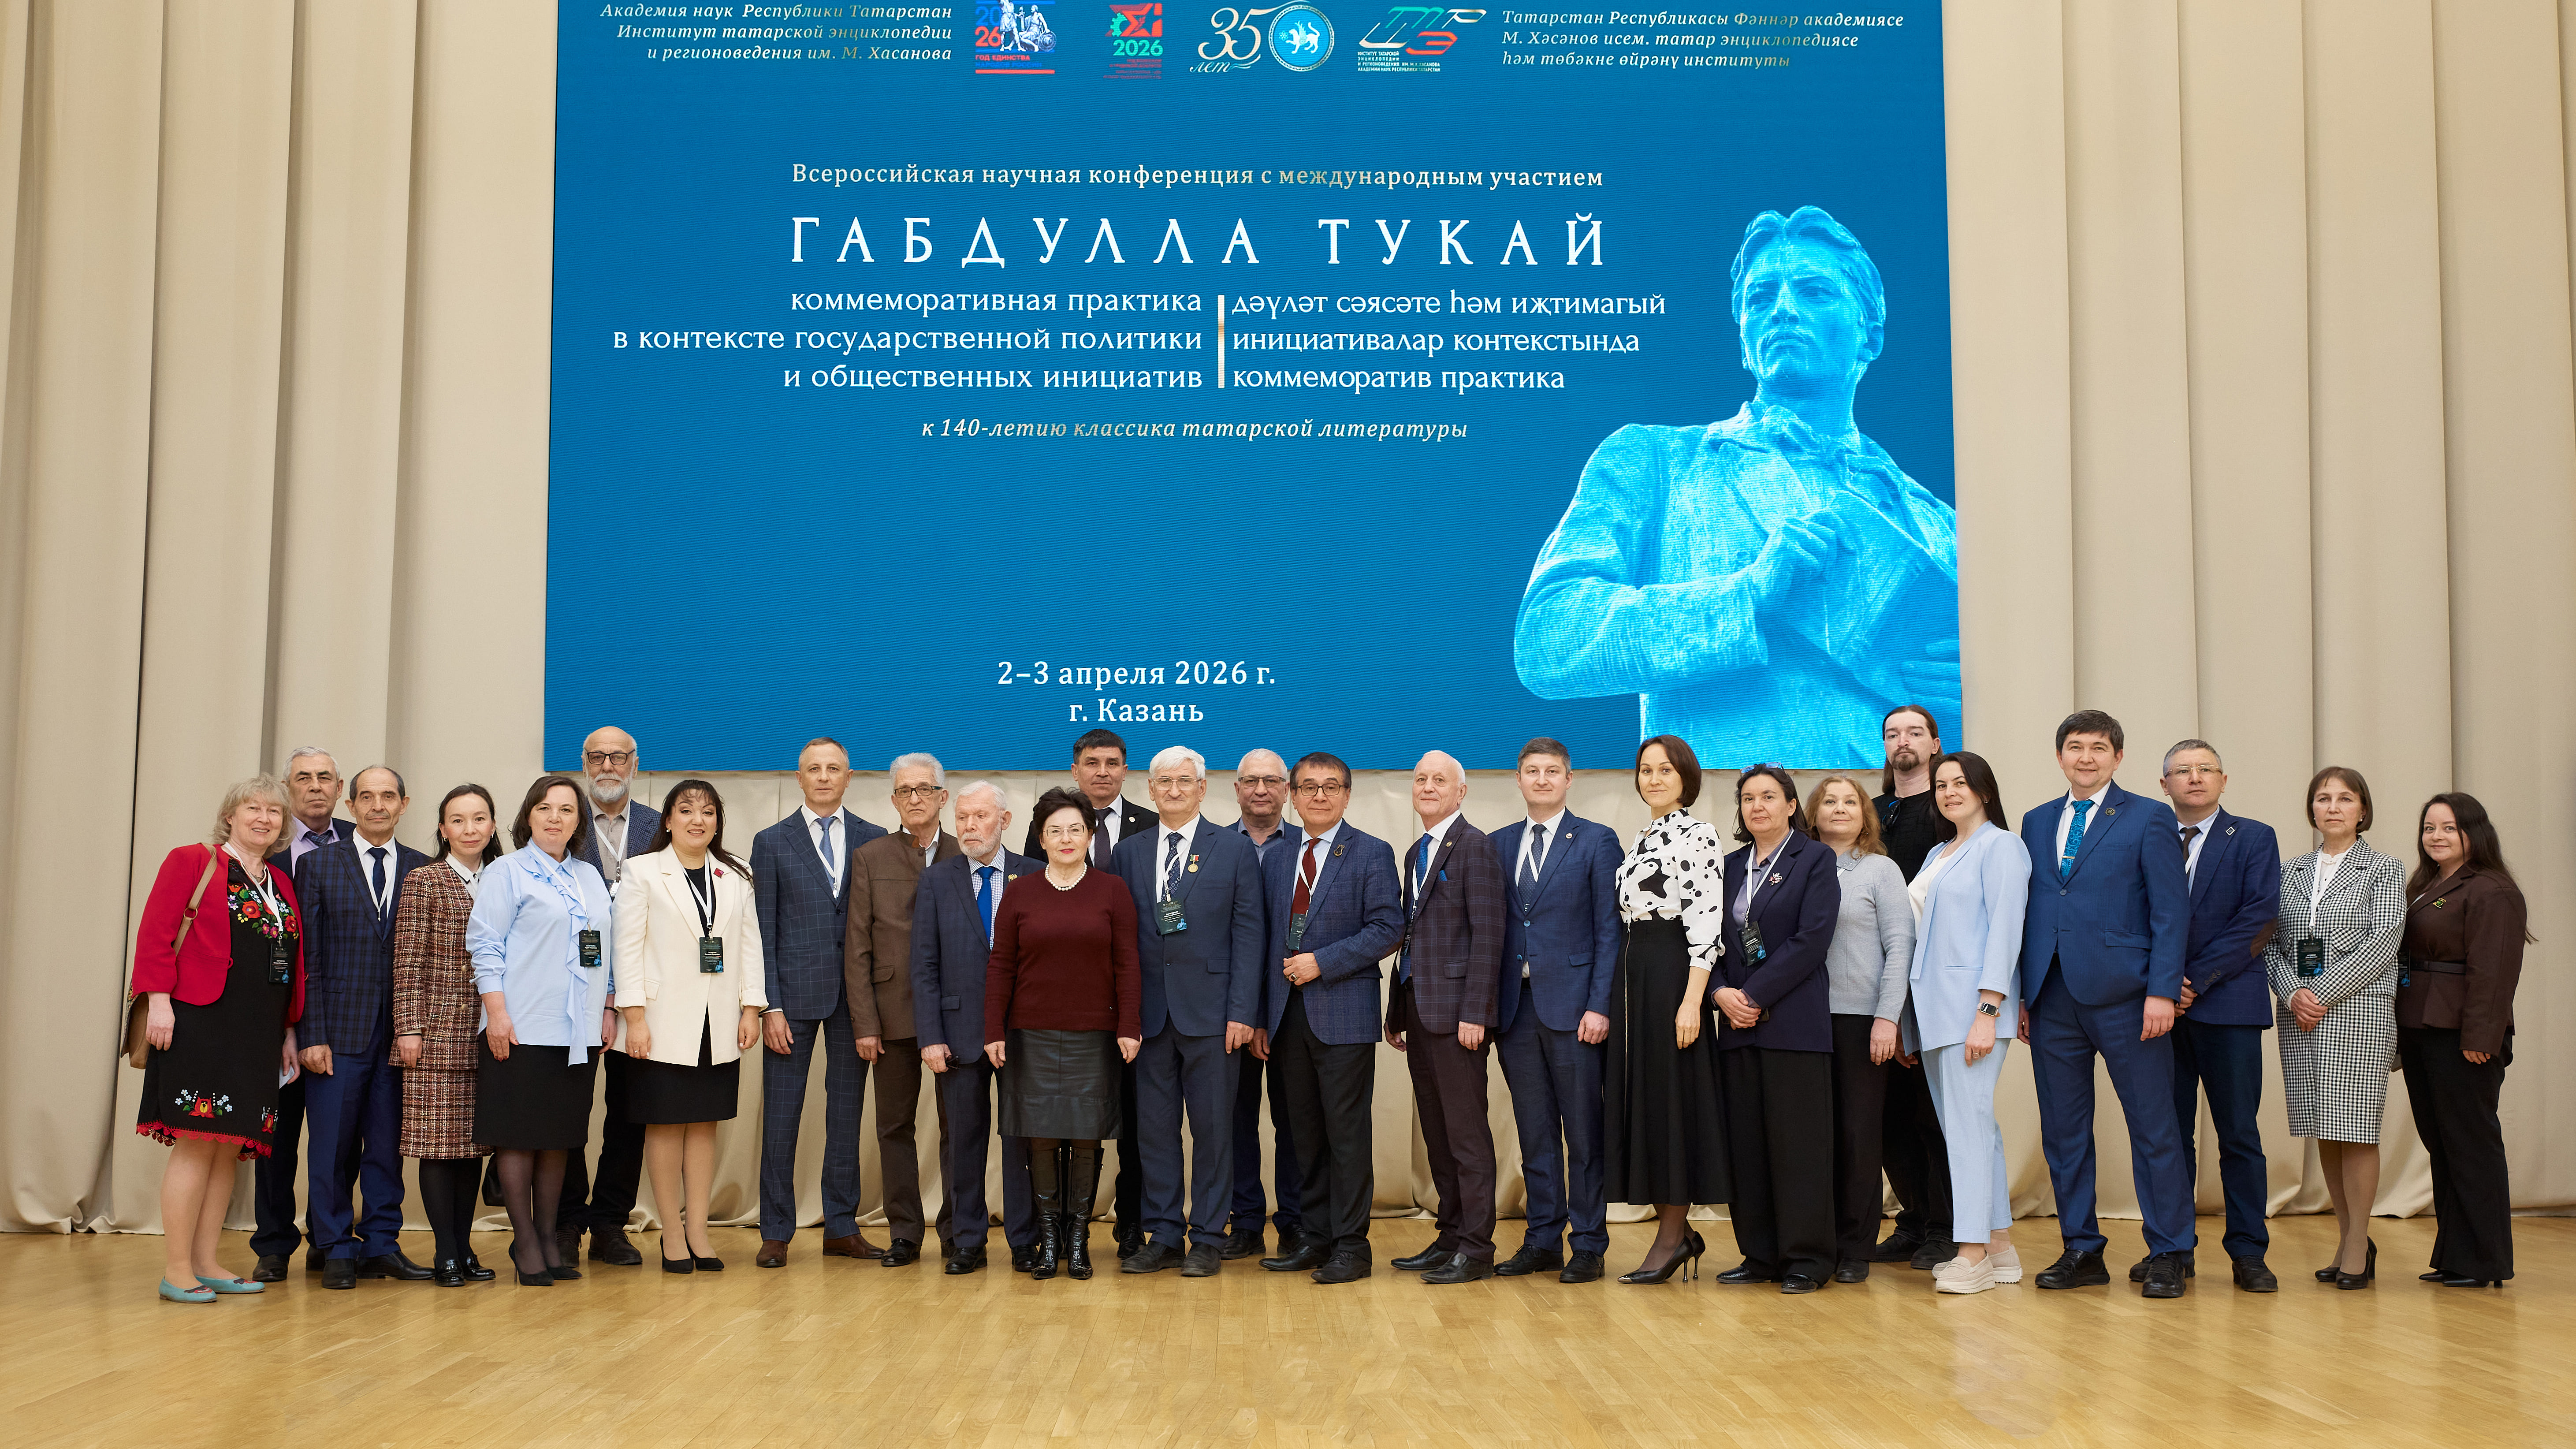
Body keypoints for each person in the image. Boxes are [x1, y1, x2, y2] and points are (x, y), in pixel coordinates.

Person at [1514, 206, 1962, 769]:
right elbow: (1549, 636)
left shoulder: (1938, 524)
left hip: (1888, 817)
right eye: (1760, 297)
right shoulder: (1657, 461)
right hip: (1728, 813)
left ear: (1869, 335)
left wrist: (1975, 696)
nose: (1783, 309)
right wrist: (1745, 595)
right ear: (1744, 338)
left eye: (1815, 291)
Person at [2015, 709, 2194, 1298]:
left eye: (2098, 747)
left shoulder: (2148, 816)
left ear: (2118, 757)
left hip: (2129, 997)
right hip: (2052, 996)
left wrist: (2162, 990)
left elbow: (2171, 910)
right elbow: (2029, 910)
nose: (2086, 757)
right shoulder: (2037, 820)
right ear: (2060, 756)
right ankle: (2082, 1248)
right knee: (2064, 1131)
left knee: (2155, 1128)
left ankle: (2169, 1250)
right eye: (2075, 746)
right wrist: (2023, 993)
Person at [131, 776, 306, 1303]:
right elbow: (156, 932)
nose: (264, 818)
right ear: (230, 815)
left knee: (228, 1148)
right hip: (198, 1022)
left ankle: (207, 1262)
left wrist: (289, 1028)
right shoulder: (192, 861)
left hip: (258, 1032)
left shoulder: (280, 881)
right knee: (196, 1142)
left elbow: (288, 965)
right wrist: (159, 1000)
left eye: (274, 811)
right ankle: (177, 1269)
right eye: (253, 807)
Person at [1109, 747, 1265, 1278]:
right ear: (1150, 790)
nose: (1174, 789)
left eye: (1184, 780)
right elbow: (1120, 940)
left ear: (1203, 788)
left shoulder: (1234, 848)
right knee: (1154, 1132)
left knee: (1214, 1131)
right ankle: (1165, 1234)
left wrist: (1242, 1010)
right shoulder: (1128, 853)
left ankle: (1208, 1237)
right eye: (1164, 781)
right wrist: (1125, 1015)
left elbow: (1250, 934)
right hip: (1149, 1018)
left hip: (1215, 1016)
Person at [1256, 752, 1403, 1285]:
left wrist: (1324, 961)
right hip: (1285, 1016)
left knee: (1346, 1136)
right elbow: (1263, 940)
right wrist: (1259, 1016)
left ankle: (1351, 1246)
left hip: (1342, 1013)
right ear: (1292, 796)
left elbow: (1388, 927)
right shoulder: (1276, 858)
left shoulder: (1371, 851)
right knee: (1302, 1134)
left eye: (1331, 786)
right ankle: (1314, 1237)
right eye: (1309, 787)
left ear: (1347, 795)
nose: (1320, 795)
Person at [985, 788, 1143, 1281]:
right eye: (1055, 830)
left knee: (1086, 1135)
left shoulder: (1113, 890)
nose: (1066, 838)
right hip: (1030, 1033)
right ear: (1041, 838)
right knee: (1041, 1135)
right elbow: (1001, 965)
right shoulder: (1020, 892)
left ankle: (1079, 1239)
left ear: (1090, 835)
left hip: (1095, 1034)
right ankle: (1049, 1238)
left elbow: (1128, 962)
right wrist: (993, 1028)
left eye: (1076, 828)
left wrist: (1130, 1024)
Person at [468, 774, 619, 1286]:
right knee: (519, 1138)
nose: (556, 817)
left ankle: (551, 1236)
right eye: (545, 808)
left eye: (567, 809)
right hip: (522, 1024)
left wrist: (608, 1006)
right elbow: (485, 945)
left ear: (579, 821)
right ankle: (526, 1240)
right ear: (528, 816)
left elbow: (606, 948)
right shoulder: (506, 871)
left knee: (559, 1139)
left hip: (579, 1028)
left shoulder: (590, 875)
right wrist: (496, 1011)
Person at [614, 779, 767, 1274]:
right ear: (668, 820)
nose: (697, 819)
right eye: (686, 810)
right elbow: (626, 949)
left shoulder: (736, 873)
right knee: (665, 1125)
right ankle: (672, 1233)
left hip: (718, 1022)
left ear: (718, 821)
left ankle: (699, 1229)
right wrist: (634, 1017)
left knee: (704, 1124)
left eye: (707, 811)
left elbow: (750, 946)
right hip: (659, 1021)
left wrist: (751, 1008)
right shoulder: (642, 871)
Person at [2264, 766, 2406, 1289]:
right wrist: (2293, 992)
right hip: (2300, 1014)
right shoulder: (2290, 869)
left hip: (2358, 1011)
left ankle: (2358, 1244)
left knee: (2355, 1126)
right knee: (2324, 1125)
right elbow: (2270, 943)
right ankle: (2350, 1237)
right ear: (2312, 809)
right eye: (2323, 798)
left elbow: (2384, 941)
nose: (2333, 806)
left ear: (2363, 809)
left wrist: (2321, 993)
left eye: (2345, 798)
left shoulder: (2384, 868)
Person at [292, 764, 432, 1288]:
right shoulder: (319, 865)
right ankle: (333, 1246)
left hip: (399, 1035)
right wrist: (312, 1034)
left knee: (386, 1146)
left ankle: (381, 1244)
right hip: (337, 1034)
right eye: (367, 796)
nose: (378, 805)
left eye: (388, 796)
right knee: (330, 1146)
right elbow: (308, 959)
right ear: (350, 805)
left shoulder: (422, 868)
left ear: (404, 804)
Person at [750, 737, 888, 1268]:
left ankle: (842, 1226)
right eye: (815, 768)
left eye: (834, 768)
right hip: (791, 1001)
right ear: (800, 777)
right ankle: (775, 1231)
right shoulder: (771, 841)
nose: (825, 776)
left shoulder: (874, 839)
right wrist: (770, 1006)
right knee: (782, 1119)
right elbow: (763, 930)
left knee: (847, 1116)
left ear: (849, 777)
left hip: (856, 1001)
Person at [1490, 738, 1622, 1285]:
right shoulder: (1497, 843)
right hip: (1515, 1010)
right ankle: (1542, 1239)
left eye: (1552, 771)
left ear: (1569, 779)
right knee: (1535, 1131)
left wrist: (1600, 1005)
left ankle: (1588, 1243)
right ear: (1518, 779)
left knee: (1584, 1134)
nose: (1541, 779)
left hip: (1576, 1011)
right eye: (1532, 770)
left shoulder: (1596, 839)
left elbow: (1610, 930)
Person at [1022, 728, 1157, 1258]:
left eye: (1113, 762)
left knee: (1130, 1123)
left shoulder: (1153, 826)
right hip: (1057, 1012)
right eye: (1092, 762)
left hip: (1128, 1007)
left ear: (1126, 769)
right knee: (1059, 1125)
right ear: (1075, 769)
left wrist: (1130, 1016)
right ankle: (1056, 1233)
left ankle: (1132, 1226)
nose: (1103, 771)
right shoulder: (1043, 835)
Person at [2153, 740, 2282, 1293]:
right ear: (2164, 784)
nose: (2195, 777)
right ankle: (2173, 1248)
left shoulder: (2253, 836)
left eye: (2205, 769)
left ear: (2223, 780)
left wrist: (2192, 981)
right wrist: (2163, 984)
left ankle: (2249, 1251)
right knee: (2168, 1135)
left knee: (2239, 1134)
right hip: (2159, 1009)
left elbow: (2260, 918)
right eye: (2182, 770)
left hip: (2228, 1006)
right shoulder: (2147, 836)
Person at [1709, 765, 1840, 1293]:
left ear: (1790, 805)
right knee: (1748, 1145)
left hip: (1794, 1023)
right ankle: (1760, 1253)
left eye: (1768, 796)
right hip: (1736, 1026)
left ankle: (1807, 1257)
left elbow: (1812, 939)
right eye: (1748, 798)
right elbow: (1708, 941)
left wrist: (1755, 995)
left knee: (1799, 1145)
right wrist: (1720, 992)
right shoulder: (1727, 866)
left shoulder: (1815, 858)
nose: (1757, 806)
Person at [1902, 752, 2029, 1295]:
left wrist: (1988, 1009)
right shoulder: (1939, 851)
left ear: (1985, 790)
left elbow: (2005, 929)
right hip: (1934, 1010)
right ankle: (1999, 1245)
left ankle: (1971, 1251)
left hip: (1972, 1010)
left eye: (1961, 782)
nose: (1950, 791)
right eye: (1941, 784)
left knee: (1967, 1130)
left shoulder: (2002, 846)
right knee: (1975, 1128)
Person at [1607, 735, 1730, 1284]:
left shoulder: (1698, 833)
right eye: (1645, 769)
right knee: (1650, 1102)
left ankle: (1673, 1235)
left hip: (1672, 976)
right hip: (1635, 978)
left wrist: (1691, 1002)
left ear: (1686, 778)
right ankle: (1676, 1230)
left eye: (1665, 769)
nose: (1654, 778)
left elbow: (1706, 924)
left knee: (1674, 1103)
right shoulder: (1643, 837)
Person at [2397, 792, 2531, 1289]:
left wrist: (2481, 1036)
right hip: (2421, 1027)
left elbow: (2494, 971)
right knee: (2442, 1143)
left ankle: (2485, 1261)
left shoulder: (2493, 889)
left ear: (2475, 832)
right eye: (2429, 827)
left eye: (2449, 828)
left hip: (2462, 1035)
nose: (2436, 836)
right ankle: (2456, 1255)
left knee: (2471, 1144)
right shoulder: (2426, 883)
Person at [1385, 752, 1508, 1285]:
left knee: (1466, 1135)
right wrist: (1398, 1009)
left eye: (1440, 779)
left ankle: (1477, 1247)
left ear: (1462, 791)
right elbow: (1413, 936)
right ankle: (1451, 1234)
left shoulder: (1475, 846)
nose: (1429, 786)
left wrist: (1476, 1012)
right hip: (1419, 1010)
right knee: (1437, 1133)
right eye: (1421, 779)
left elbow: (1489, 934)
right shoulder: (1416, 851)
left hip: (1459, 1016)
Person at [911, 782, 1042, 1274]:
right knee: (963, 1141)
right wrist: (930, 1035)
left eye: (981, 816)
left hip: (1023, 1032)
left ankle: (1025, 1239)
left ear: (1004, 821)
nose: (970, 826)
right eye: (963, 817)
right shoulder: (937, 880)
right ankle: (967, 1240)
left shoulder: (1036, 873)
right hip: (957, 1032)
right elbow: (923, 964)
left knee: (1022, 1139)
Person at [845, 752, 959, 1267]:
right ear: (894, 800)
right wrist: (865, 1023)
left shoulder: (966, 852)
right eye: (905, 790)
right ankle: (906, 1233)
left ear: (943, 796)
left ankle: (959, 1232)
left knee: (959, 1127)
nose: (915, 798)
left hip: (955, 1015)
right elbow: (858, 948)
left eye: (925, 788)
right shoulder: (871, 856)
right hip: (890, 1015)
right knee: (894, 1127)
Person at [392, 784, 505, 1286]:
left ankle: (465, 1246)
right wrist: (409, 1028)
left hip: (491, 1032)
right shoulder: (426, 879)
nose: (469, 829)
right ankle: (445, 1253)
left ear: (493, 825)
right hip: (436, 1033)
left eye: (479, 819)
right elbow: (408, 959)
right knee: (439, 1147)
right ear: (443, 829)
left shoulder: (504, 876)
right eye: (457, 820)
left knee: (472, 1147)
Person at [1805, 771, 1911, 1282]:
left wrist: (1888, 1017)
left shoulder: (1880, 870)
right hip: (1804, 1021)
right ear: (1814, 813)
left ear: (1865, 813)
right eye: (1830, 801)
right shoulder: (1799, 868)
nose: (1841, 808)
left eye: (1851, 801)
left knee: (1858, 1134)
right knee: (1815, 1135)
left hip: (1862, 1021)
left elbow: (1901, 947)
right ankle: (1816, 1243)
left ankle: (1855, 1247)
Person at [558, 725, 657, 1268]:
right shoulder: (561, 823)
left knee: (630, 1114)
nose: (608, 766)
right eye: (597, 756)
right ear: (584, 763)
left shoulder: (659, 826)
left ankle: (610, 1223)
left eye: (619, 756)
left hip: (641, 997)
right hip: (574, 996)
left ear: (635, 764)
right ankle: (567, 1221)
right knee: (570, 1111)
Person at [251, 746, 349, 1281]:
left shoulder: (360, 841)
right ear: (288, 787)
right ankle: (273, 1244)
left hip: (344, 1022)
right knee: (276, 1140)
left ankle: (327, 1237)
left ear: (340, 788)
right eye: (303, 777)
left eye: (325, 777)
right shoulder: (264, 847)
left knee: (339, 1142)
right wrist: (284, 1024)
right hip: (277, 1023)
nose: (315, 786)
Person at [1870, 705, 1953, 1271]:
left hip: (1933, 983)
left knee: (1932, 1114)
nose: (1904, 740)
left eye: (1915, 732)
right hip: (1872, 984)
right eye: (1893, 733)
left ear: (1935, 744)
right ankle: (1914, 1220)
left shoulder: (1950, 811)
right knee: (1887, 1116)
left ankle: (1947, 1227)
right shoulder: (1872, 813)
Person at [1223, 748, 1303, 1260]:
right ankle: (1246, 1221)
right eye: (1251, 780)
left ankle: (1294, 1221)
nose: (1260, 789)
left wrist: (1269, 1012)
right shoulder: (1212, 845)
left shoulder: (1308, 845)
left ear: (1287, 789)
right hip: (1229, 1013)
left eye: (1272, 780)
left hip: (1293, 1011)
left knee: (1294, 1122)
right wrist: (1246, 1013)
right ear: (1236, 788)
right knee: (1234, 1122)